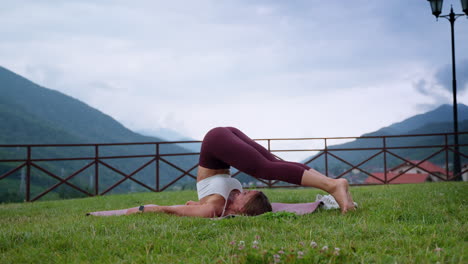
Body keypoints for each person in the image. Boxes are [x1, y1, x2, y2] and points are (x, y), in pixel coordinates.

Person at [126, 127, 355, 217]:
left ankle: (333, 184)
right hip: (221, 140)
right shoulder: (221, 205)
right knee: (268, 164)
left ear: (237, 210)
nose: (240, 193)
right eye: (245, 193)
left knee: (266, 166)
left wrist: (143, 210)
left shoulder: (213, 208)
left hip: (216, 143)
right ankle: (332, 184)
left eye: (243, 196)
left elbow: (171, 210)